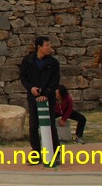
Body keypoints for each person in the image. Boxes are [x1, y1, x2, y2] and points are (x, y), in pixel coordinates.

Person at [19, 35, 61, 163]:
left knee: (50, 125)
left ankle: (55, 153)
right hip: (33, 97)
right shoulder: (27, 61)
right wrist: (31, 88)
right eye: (47, 45)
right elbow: (23, 77)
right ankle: (36, 152)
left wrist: (46, 94)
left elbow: (55, 81)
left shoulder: (53, 63)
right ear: (39, 47)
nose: (50, 48)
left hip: (49, 98)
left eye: (49, 45)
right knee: (33, 125)